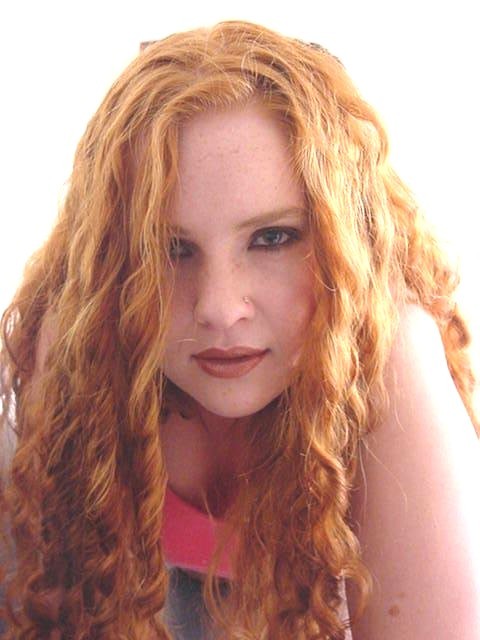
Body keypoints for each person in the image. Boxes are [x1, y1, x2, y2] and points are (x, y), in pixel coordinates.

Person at [1, 20, 479, 640]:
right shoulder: (83, 337)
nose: (220, 310)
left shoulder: (388, 354)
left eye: (272, 238)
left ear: (347, 242)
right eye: (170, 249)